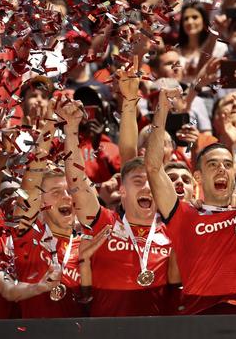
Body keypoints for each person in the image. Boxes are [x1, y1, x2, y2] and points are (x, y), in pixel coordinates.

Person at [145, 83, 236, 315]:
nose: (221, 170)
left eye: (228, 165)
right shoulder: (185, 215)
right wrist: (162, 111)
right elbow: (153, 168)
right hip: (198, 317)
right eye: (213, 164)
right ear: (197, 175)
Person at [58, 98, 178, 317]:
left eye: (152, 183)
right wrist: (71, 129)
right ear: (122, 190)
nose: (148, 189)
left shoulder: (173, 232)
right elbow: (76, 181)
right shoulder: (104, 224)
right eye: (139, 181)